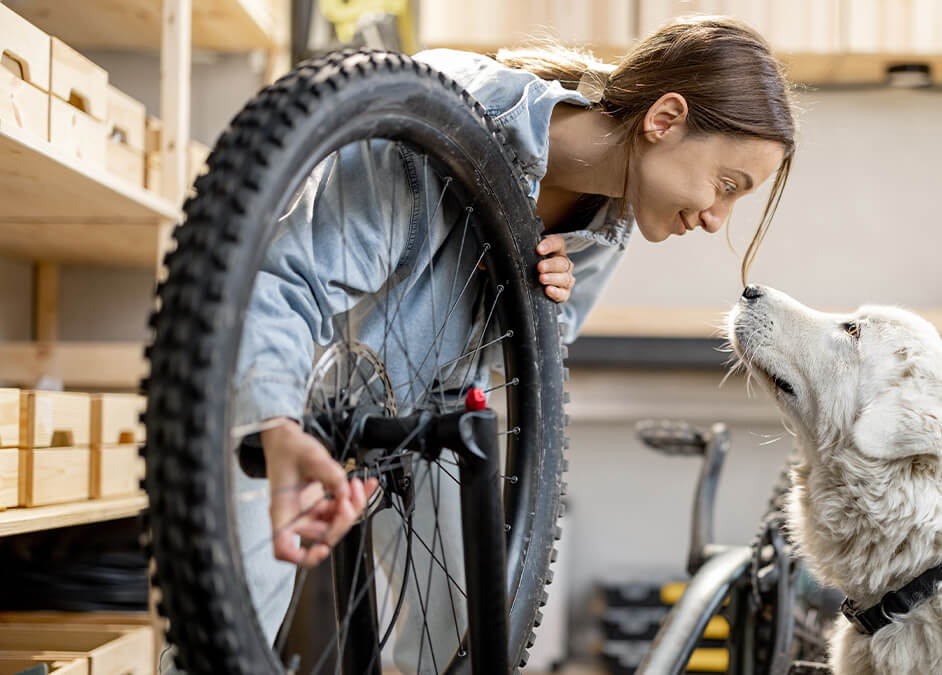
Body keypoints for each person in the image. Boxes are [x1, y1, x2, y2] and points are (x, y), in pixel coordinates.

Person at [231, 13, 797, 666]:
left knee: (469, 631)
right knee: (228, 625)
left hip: (408, 415)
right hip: (269, 368)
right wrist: (274, 427)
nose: (714, 218)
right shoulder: (442, 113)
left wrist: (527, 304)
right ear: (664, 119)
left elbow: (518, 375)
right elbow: (283, 281)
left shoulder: (610, 218)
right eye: (726, 186)